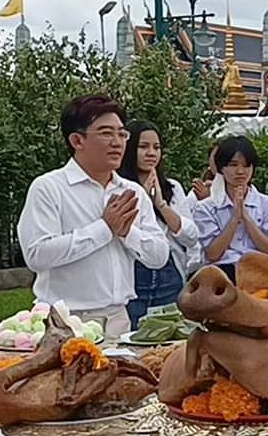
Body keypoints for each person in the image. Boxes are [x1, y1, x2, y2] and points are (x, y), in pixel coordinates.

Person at [17, 95, 169, 338]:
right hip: (64, 323)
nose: (117, 142)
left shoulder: (132, 192)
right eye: (106, 133)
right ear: (77, 140)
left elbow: (159, 256)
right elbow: (37, 255)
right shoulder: (49, 188)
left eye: (122, 134)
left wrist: (127, 232)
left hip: (119, 320)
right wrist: (104, 229)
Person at [118, 121, 200, 328]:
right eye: (143, 147)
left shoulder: (172, 187)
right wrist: (142, 198)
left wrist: (161, 204)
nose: (151, 153)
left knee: (168, 336)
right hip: (132, 274)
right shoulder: (117, 188)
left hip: (168, 274)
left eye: (156, 147)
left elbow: (190, 236)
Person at [193, 135, 268, 284]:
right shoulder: (205, 208)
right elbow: (213, 254)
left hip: (261, 274)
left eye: (246, 165)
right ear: (221, 167)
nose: (240, 171)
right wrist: (235, 218)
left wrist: (245, 216)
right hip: (222, 276)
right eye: (233, 164)